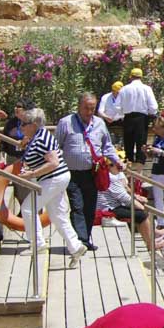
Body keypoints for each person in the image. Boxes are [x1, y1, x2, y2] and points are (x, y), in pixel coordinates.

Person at [18, 106, 87, 265]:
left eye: (24, 124)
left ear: (34, 124)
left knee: (28, 208)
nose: (21, 127)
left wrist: (32, 174)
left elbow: (53, 162)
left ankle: (37, 244)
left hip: (53, 178)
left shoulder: (42, 138)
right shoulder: (36, 137)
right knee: (57, 214)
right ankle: (75, 246)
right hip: (53, 179)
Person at [57, 92, 123, 252]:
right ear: (79, 107)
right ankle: (81, 241)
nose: (89, 112)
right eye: (86, 108)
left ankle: (85, 238)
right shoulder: (66, 123)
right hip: (72, 173)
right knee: (77, 206)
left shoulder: (99, 123)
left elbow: (107, 146)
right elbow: (57, 146)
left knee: (89, 207)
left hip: (93, 172)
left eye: (92, 108)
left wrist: (116, 160)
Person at [116, 68, 158, 164]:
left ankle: (129, 164)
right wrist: (150, 113)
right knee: (141, 144)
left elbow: (117, 107)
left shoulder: (124, 89)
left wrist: (122, 114)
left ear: (131, 77)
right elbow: (153, 107)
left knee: (128, 144)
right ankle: (140, 167)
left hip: (128, 118)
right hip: (142, 118)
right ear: (141, 77)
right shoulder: (147, 89)